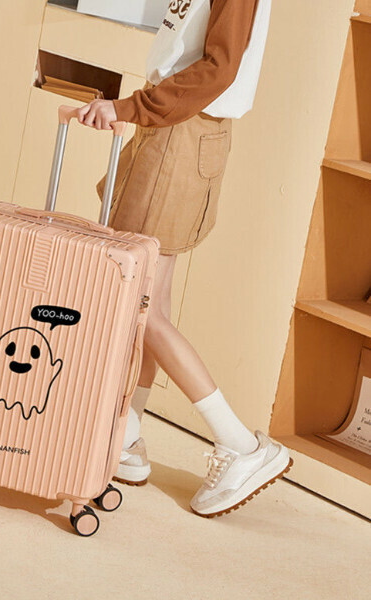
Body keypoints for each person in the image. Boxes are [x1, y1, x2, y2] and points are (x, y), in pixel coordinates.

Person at [76, 0, 292, 518]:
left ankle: (240, 444)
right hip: (172, 125)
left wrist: (131, 107)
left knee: (138, 300)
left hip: (181, 130)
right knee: (151, 298)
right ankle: (127, 434)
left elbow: (219, 67)